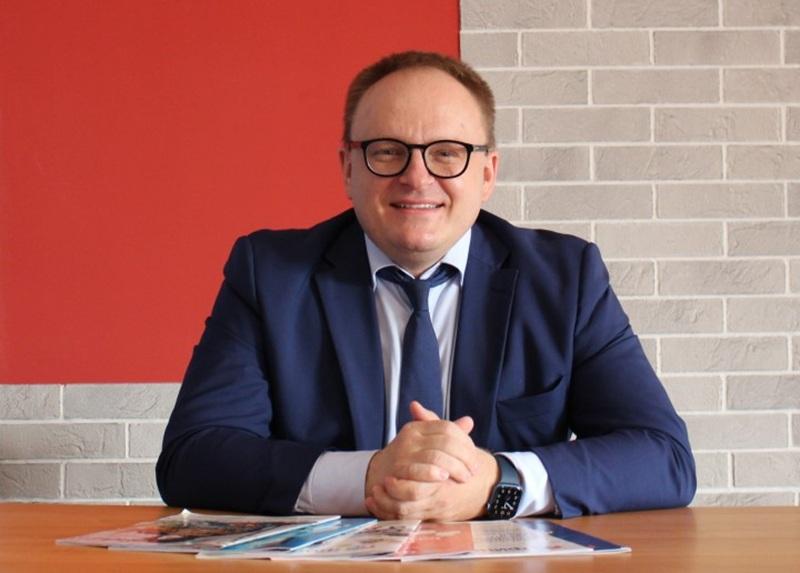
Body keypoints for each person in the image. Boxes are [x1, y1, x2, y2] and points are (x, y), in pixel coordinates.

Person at [156, 51, 696, 521]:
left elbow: (663, 457)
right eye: (387, 151)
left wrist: (497, 483)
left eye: (447, 153)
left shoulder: (564, 278)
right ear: (348, 168)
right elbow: (193, 457)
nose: (417, 177)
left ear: (487, 173)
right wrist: (369, 477)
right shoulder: (270, 274)